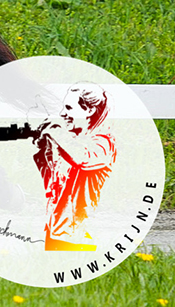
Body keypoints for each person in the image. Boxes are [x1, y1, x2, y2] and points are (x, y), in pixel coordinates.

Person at [31, 84, 116, 251]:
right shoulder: (72, 139)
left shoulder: (103, 142)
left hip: (81, 236)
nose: (63, 113)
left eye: (69, 107)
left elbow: (83, 159)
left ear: (90, 111)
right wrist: (43, 151)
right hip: (58, 231)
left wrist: (56, 133)